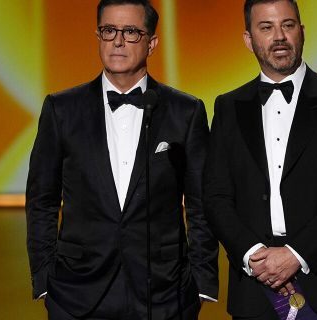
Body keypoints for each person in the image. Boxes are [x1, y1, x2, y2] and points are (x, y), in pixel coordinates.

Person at [26, 1, 218, 319]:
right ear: (99, 36)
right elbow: (42, 199)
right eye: (109, 30)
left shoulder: (185, 111)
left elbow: (201, 203)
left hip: (164, 292)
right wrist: (45, 279)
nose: (117, 40)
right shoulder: (61, 109)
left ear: (152, 43)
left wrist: (202, 281)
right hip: (77, 290)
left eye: (130, 31)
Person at [203, 0, 317, 319]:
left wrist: (296, 254)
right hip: (256, 284)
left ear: (302, 31)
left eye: (288, 25)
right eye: (266, 27)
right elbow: (216, 196)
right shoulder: (228, 107)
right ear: (249, 39)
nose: (279, 36)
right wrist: (253, 254)